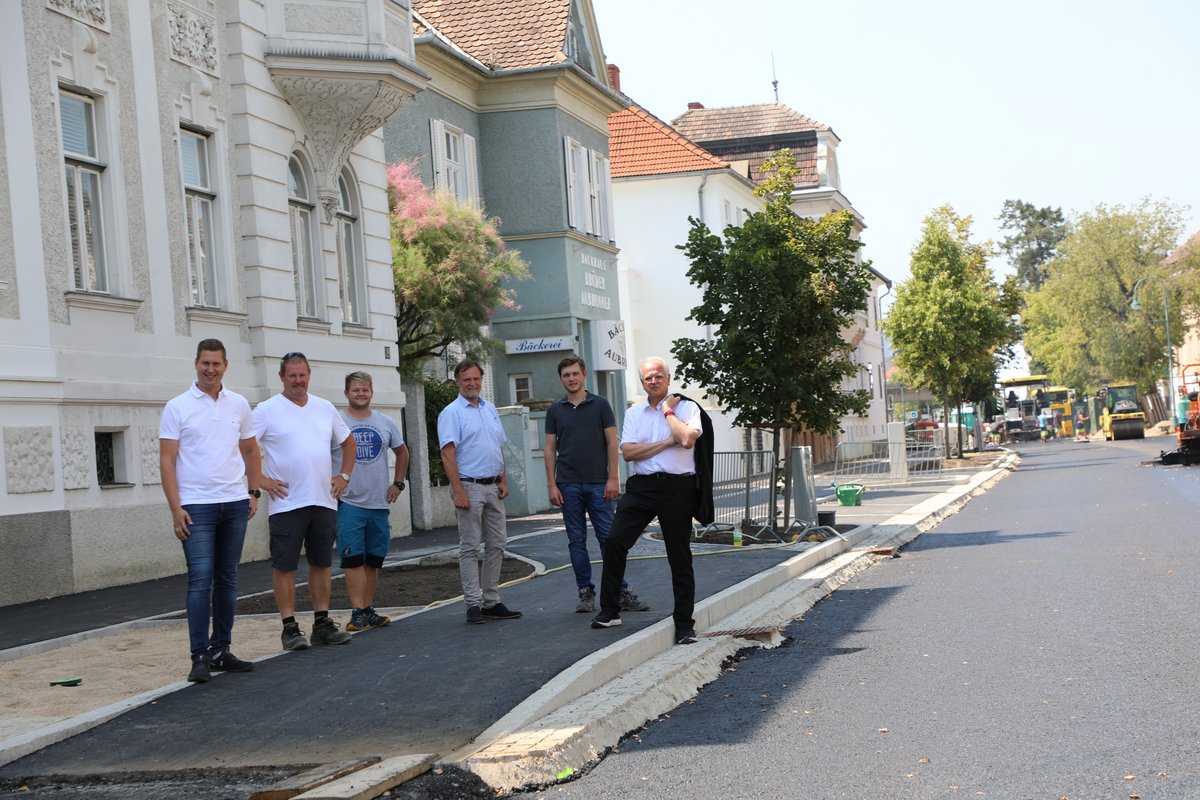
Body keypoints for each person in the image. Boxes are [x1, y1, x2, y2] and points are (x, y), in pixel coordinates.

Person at [159, 339, 263, 683]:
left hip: (234, 503)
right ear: (196, 364)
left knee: (228, 579)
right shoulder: (177, 406)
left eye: (216, 364)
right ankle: (199, 655)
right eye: (205, 363)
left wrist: (252, 491)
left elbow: (250, 450)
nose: (210, 369)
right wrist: (176, 508)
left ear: (225, 366)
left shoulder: (238, 404)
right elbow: (167, 460)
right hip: (195, 506)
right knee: (200, 578)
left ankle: (221, 649)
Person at [591, 356, 703, 645]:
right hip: (641, 487)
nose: (652, 381)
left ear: (668, 377)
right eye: (647, 378)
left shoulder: (687, 407)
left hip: (677, 488)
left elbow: (687, 439)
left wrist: (667, 411)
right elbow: (628, 453)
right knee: (615, 541)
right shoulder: (634, 413)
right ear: (641, 382)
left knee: (679, 556)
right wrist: (667, 442)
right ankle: (610, 610)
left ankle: (684, 625)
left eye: (657, 376)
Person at [253, 353, 355, 650]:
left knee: (321, 563)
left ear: (309, 375)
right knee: (284, 565)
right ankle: (290, 628)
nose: (298, 381)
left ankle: (322, 624)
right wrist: (261, 481)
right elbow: (241, 447)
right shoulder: (267, 410)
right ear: (281, 377)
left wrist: (344, 476)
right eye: (292, 375)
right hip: (286, 503)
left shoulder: (324, 408)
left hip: (323, 499)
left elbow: (348, 442)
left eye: (302, 375)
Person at [544, 355, 648, 614]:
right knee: (576, 541)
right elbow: (549, 449)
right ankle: (585, 593)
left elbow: (613, 443)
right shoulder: (555, 411)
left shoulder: (601, 405)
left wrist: (613, 477)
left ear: (584, 374)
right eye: (566, 375)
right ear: (561, 378)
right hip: (567, 485)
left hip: (599, 485)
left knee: (609, 540)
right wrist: (551, 485)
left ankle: (620, 592)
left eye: (575, 374)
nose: (571, 378)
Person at [437, 359, 522, 625]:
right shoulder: (452, 413)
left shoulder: (490, 409)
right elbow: (447, 454)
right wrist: (459, 491)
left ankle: (491, 601)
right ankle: (473, 603)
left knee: (498, 544)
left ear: (481, 380)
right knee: (470, 547)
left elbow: (498, 448)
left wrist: (504, 480)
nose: (472, 384)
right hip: (469, 487)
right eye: (466, 380)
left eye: (476, 379)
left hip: (493, 486)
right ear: (458, 382)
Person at [335, 371, 410, 632]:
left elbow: (402, 452)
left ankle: (368, 609)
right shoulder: (338, 422)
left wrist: (398, 482)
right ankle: (357, 610)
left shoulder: (384, 422)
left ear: (371, 393)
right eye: (355, 390)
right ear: (346, 393)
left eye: (365, 390)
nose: (360, 394)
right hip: (350, 502)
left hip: (379, 503)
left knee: (373, 559)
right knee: (353, 558)